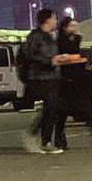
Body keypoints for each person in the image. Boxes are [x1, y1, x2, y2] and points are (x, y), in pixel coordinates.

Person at [52, 17, 92, 149]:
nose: (75, 28)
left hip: (76, 81)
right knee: (62, 113)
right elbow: (63, 57)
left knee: (83, 110)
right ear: (65, 28)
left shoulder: (76, 39)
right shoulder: (60, 41)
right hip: (66, 81)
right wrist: (73, 58)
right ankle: (59, 140)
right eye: (72, 26)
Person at [19, 8, 64, 155]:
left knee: (52, 108)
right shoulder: (35, 37)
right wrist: (49, 61)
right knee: (50, 107)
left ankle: (43, 139)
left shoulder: (50, 36)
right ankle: (38, 137)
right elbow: (29, 56)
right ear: (47, 20)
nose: (56, 21)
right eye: (54, 18)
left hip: (52, 76)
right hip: (39, 77)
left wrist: (60, 59)